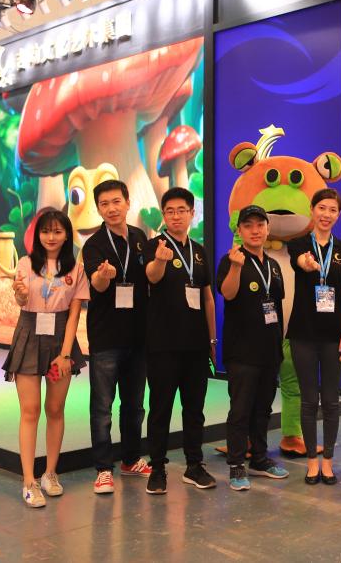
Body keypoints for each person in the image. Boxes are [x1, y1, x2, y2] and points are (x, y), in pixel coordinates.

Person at [5, 209, 88, 507]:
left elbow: (74, 314)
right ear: (38, 234)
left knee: (55, 409)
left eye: (57, 231)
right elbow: (21, 300)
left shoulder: (76, 269)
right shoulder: (26, 264)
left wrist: (65, 355)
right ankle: (29, 481)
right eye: (45, 231)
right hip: (28, 338)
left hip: (60, 342)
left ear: (66, 235)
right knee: (30, 411)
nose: (51, 237)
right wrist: (19, 294)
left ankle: (50, 474)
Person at [143, 187, 217, 494]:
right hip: (162, 345)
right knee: (160, 409)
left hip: (196, 346)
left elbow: (207, 297)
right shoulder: (155, 245)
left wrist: (212, 339)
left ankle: (194, 465)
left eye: (182, 210)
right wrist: (161, 261)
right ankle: (157, 468)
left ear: (191, 214)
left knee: (194, 409)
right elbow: (152, 276)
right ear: (164, 215)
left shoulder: (199, 251)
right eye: (170, 211)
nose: (176, 216)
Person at [82, 180, 152, 493]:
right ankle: (103, 469)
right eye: (104, 204)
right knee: (102, 408)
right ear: (99, 209)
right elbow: (96, 285)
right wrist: (103, 276)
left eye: (116, 202)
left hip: (138, 337)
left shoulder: (140, 238)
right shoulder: (94, 244)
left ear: (127, 202)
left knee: (134, 405)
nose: (111, 208)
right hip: (106, 338)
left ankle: (131, 459)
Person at [217, 205, 291, 491]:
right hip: (242, 352)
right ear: (239, 230)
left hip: (269, 350)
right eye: (248, 225)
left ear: (268, 229)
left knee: (263, 409)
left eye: (260, 225)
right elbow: (228, 293)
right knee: (240, 411)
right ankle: (237, 464)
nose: (255, 230)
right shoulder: (231, 260)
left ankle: (260, 458)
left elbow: (277, 307)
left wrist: (279, 344)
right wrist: (236, 267)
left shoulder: (273, 265)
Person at [288, 189, 341, 485]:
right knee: (308, 400)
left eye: (332, 210)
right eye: (322, 208)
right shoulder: (299, 244)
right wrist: (307, 263)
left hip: (334, 334)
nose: (327, 214)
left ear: (338, 215)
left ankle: (328, 461)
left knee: (330, 400)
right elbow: (299, 261)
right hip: (303, 333)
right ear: (312, 210)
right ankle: (311, 463)